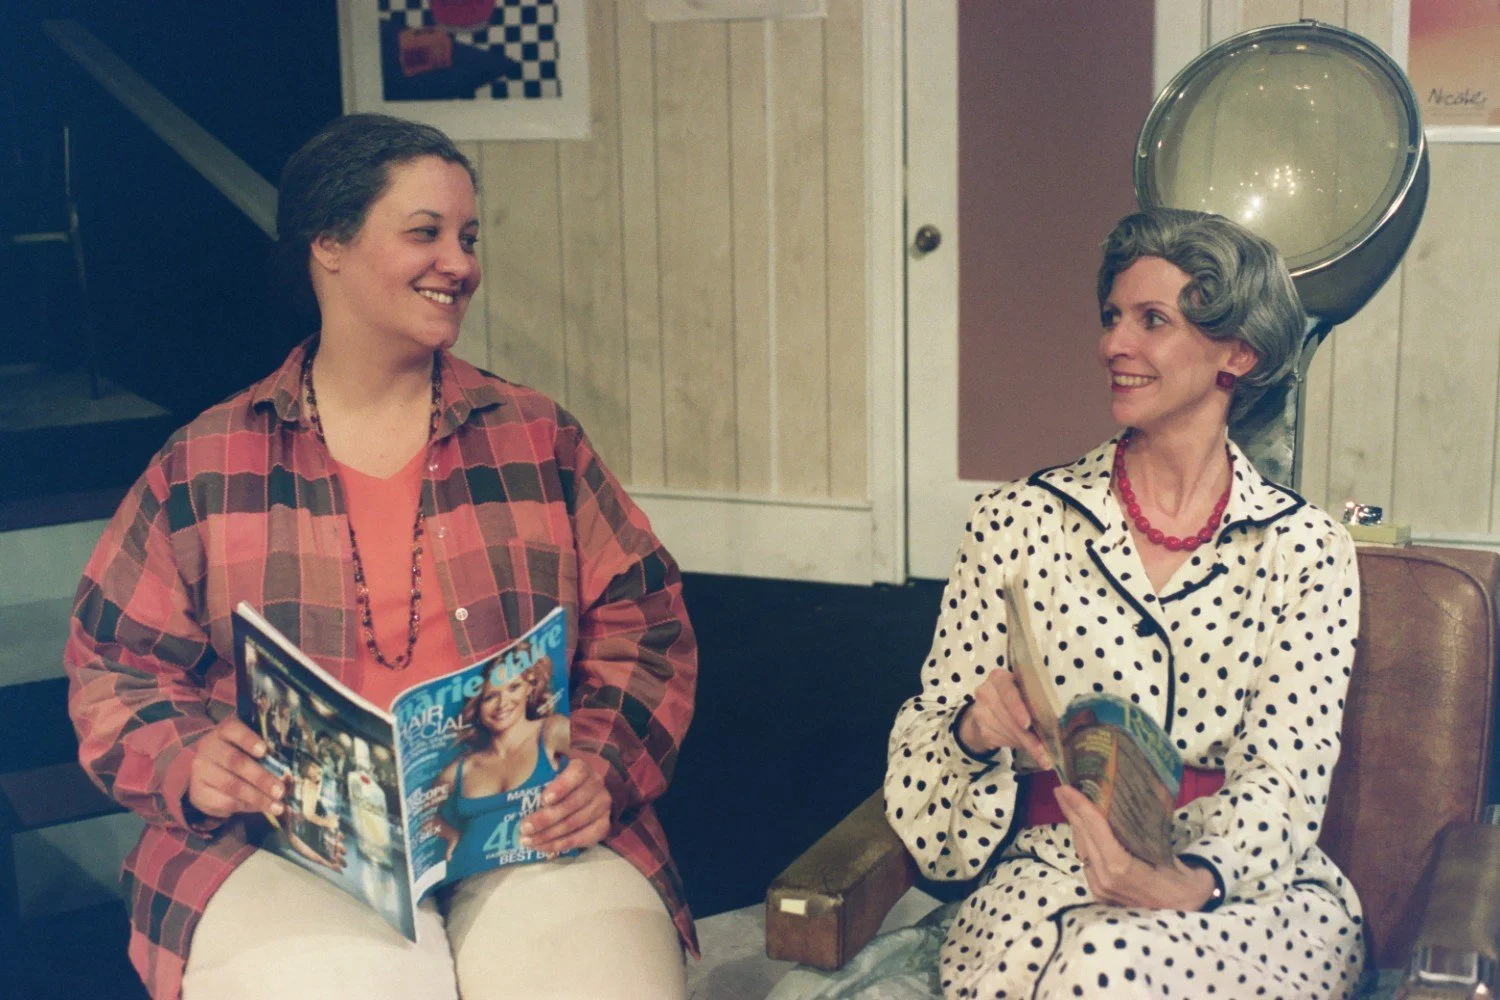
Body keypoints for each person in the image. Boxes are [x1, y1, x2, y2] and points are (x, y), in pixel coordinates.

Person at [65, 113, 697, 1000]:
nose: (462, 264)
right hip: (283, 844)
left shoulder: (536, 436)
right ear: (328, 242)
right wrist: (189, 759)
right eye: (425, 233)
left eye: (468, 237)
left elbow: (646, 623)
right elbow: (112, 665)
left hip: (522, 822)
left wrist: (598, 761)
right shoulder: (205, 464)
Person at [885, 208, 1364, 998]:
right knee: (1068, 967)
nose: (1114, 344)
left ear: (1236, 353)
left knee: (1108, 968)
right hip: (1047, 871)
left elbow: (1288, 774)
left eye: (1153, 321)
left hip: (1240, 892)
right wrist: (975, 731)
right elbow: (929, 742)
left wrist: (1189, 880)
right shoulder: (1016, 522)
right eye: (1113, 317)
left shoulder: (1306, 551)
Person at [429, 654, 570, 879]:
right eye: (490, 697)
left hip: (550, 870)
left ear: (529, 688)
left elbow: (592, 763)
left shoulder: (553, 730)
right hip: (471, 881)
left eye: (514, 687)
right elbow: (420, 817)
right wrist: (450, 834)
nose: (503, 703)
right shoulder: (461, 768)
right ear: (477, 706)